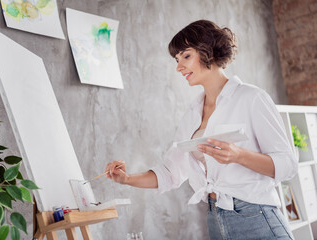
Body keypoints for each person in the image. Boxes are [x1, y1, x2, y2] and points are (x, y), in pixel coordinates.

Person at [105, 20, 298, 240]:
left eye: (186, 56)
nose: (179, 67)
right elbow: (170, 172)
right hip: (215, 219)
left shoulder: (252, 98)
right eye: (177, 60)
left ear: (210, 51)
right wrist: (127, 179)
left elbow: (288, 165)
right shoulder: (191, 115)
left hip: (256, 217)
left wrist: (239, 156)